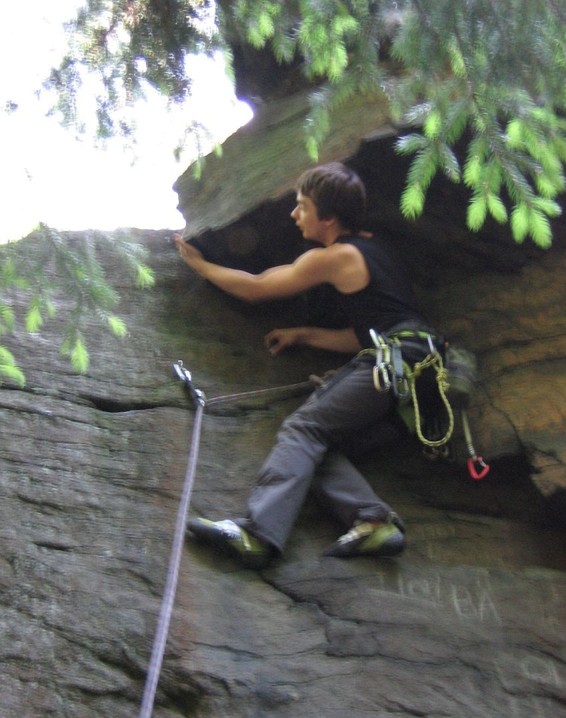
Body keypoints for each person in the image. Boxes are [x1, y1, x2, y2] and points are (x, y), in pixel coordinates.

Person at [175, 161, 437, 569]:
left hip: (398, 363)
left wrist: (199, 265)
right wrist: (305, 334)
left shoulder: (338, 256)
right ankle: (373, 521)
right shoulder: (373, 250)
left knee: (303, 429)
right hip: (418, 374)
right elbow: (366, 332)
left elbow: (258, 287)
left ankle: (257, 533)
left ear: (328, 217)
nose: (294, 214)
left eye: (302, 206)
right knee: (315, 447)